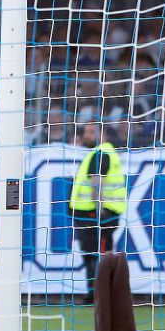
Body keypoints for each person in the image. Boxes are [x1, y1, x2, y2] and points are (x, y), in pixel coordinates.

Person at [70, 122, 127, 304]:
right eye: (85, 131)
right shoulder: (105, 153)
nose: (86, 135)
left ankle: (98, 295)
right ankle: (97, 294)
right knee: (98, 253)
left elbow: (97, 181)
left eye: (91, 132)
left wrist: (98, 208)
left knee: (95, 254)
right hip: (101, 212)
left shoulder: (101, 153)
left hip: (94, 213)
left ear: (103, 134)